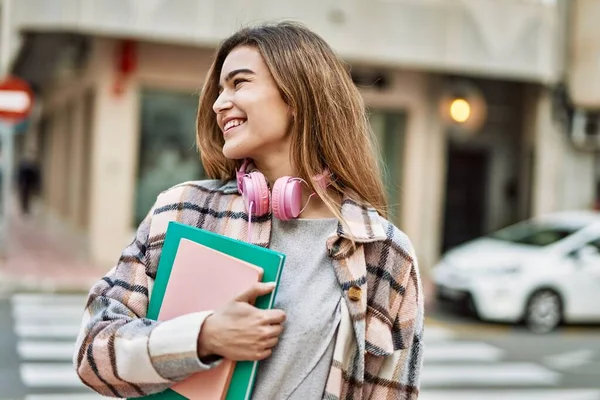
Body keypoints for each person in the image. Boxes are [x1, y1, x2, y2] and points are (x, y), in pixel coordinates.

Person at [73, 21, 424, 399]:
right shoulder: (181, 211)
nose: (218, 103)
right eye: (219, 89)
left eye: (239, 83)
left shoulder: (383, 251)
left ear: (296, 97)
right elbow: (92, 350)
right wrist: (202, 337)